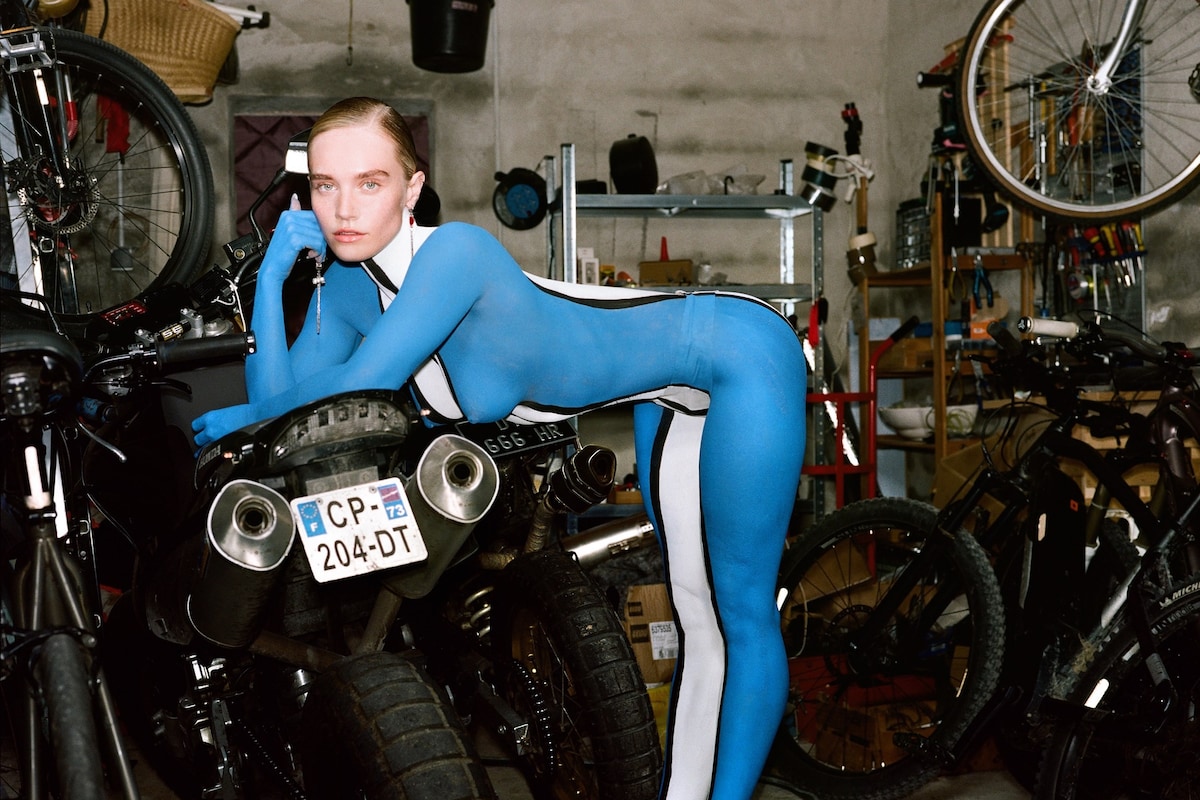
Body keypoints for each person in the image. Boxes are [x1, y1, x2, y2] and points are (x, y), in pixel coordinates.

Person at [193, 97, 806, 800]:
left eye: (370, 182)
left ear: (412, 189)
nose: (344, 208)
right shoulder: (353, 288)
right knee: (695, 609)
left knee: (738, 615)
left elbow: (359, 385)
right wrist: (273, 278)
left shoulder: (456, 253)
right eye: (326, 185)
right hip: (665, 391)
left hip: (736, 353)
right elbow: (285, 408)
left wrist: (249, 413)